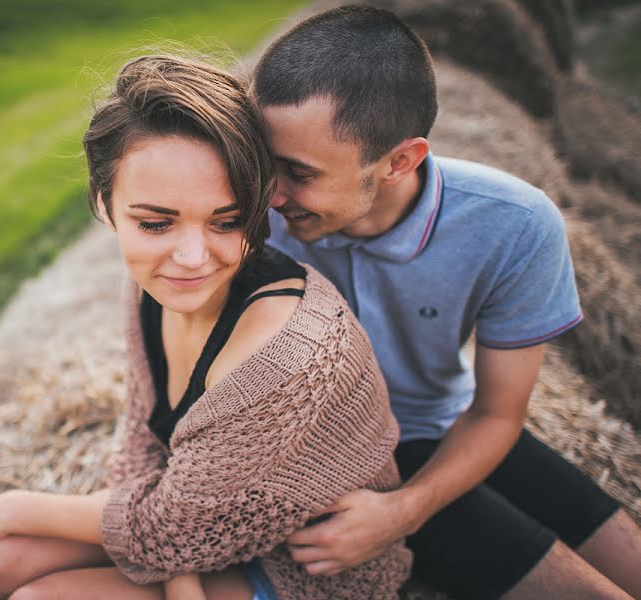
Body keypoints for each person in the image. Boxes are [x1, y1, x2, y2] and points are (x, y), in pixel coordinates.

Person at [0, 54, 411, 600]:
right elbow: (146, 441)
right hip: (196, 535)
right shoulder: (152, 289)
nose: (192, 257)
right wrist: (180, 580)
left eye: (227, 221)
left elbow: (172, 527)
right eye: (156, 223)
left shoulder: (286, 353)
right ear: (105, 204)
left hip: (307, 571)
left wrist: (11, 505)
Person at [251, 5, 641, 600]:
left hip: (446, 423)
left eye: (298, 173)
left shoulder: (516, 224)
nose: (272, 194)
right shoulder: (242, 222)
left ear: (400, 161)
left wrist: (400, 516)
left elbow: (495, 415)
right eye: (264, 163)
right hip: (336, 453)